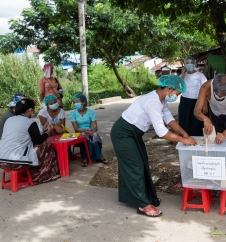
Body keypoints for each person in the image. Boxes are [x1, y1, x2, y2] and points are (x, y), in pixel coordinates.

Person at [110, 75, 197, 217]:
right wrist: (182, 140)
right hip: (123, 133)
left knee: (142, 163)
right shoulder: (153, 102)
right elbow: (162, 132)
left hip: (133, 133)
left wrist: (185, 134)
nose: (176, 96)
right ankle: (143, 204)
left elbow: (168, 118)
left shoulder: (161, 100)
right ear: (169, 89)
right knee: (135, 166)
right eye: (176, 93)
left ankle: (145, 196)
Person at [0, 98, 60, 184]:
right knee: (46, 144)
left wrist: (40, 133)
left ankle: (28, 174)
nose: (33, 112)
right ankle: (44, 175)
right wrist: (48, 132)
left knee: (30, 147)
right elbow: (38, 140)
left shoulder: (9, 120)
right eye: (33, 110)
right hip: (16, 163)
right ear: (30, 110)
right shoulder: (30, 123)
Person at [194, 73, 226, 144]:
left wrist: (225, 134)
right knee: (215, 141)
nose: (220, 97)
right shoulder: (205, 87)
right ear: (213, 88)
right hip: (215, 114)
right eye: (218, 94)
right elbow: (197, 111)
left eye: (224, 95)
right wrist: (205, 119)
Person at [69, 93, 108, 167]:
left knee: (95, 135)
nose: (75, 104)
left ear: (83, 102)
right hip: (80, 132)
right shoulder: (72, 114)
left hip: (90, 131)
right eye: (75, 102)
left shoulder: (91, 112)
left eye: (77, 101)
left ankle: (99, 157)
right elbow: (76, 128)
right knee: (84, 136)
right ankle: (85, 158)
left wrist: (92, 131)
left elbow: (95, 127)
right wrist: (84, 131)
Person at [178, 56, 208, 136]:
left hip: (197, 102)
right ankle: (184, 138)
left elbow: (205, 90)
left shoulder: (200, 75)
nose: (189, 64)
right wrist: (183, 75)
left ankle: (196, 140)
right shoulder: (182, 76)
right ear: (184, 65)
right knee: (184, 121)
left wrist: (205, 105)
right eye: (187, 63)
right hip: (185, 101)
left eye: (191, 63)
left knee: (196, 122)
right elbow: (178, 88)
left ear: (194, 64)